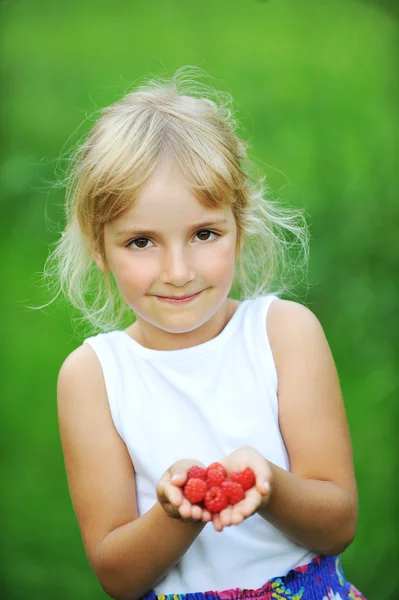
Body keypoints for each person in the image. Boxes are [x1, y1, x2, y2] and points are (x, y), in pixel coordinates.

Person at [52, 69, 366, 600]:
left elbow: (337, 524)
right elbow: (117, 576)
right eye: (141, 241)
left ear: (239, 227)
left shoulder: (284, 335)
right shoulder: (93, 377)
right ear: (99, 247)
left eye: (203, 234)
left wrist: (266, 483)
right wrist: (177, 512)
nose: (178, 270)